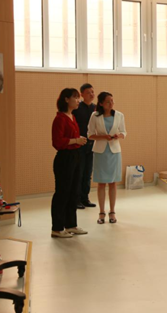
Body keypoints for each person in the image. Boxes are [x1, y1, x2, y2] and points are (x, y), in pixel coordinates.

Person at [51, 88, 88, 238]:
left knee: (74, 191)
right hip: (65, 158)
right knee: (63, 192)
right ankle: (57, 228)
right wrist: (76, 140)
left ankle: (71, 224)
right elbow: (57, 142)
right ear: (66, 99)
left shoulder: (72, 117)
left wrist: (78, 140)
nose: (78, 100)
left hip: (76, 155)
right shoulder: (60, 118)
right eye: (75, 97)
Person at [88, 92, 126, 225]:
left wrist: (118, 135)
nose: (111, 103)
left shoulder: (119, 115)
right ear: (101, 103)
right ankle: (101, 212)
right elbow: (90, 135)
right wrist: (103, 137)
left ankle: (112, 211)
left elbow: (124, 132)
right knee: (101, 183)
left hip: (114, 152)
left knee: (113, 183)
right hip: (100, 152)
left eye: (112, 101)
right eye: (108, 101)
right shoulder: (95, 116)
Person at [72, 83, 97, 209]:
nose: (91, 94)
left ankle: (85, 198)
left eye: (92, 92)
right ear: (82, 94)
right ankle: (76, 200)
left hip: (92, 144)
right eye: (88, 92)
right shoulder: (77, 108)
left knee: (88, 173)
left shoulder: (96, 108)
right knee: (79, 173)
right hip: (79, 144)